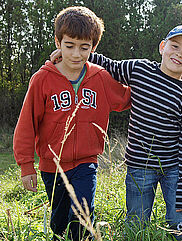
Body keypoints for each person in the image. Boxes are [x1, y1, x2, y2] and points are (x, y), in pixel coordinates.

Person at [13, 6, 130, 241]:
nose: (76, 54)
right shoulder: (42, 79)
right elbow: (27, 124)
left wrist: (160, 78)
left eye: (84, 47)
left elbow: (128, 98)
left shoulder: (100, 77)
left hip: (87, 162)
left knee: (84, 213)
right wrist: (26, 165)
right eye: (69, 46)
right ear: (58, 42)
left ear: (93, 47)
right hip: (51, 166)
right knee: (59, 219)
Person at [86, 25, 182, 240]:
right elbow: (107, 65)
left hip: (173, 165)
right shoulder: (139, 70)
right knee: (136, 223)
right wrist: (77, 53)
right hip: (140, 163)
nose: (179, 54)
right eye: (174, 46)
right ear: (162, 47)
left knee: (180, 222)